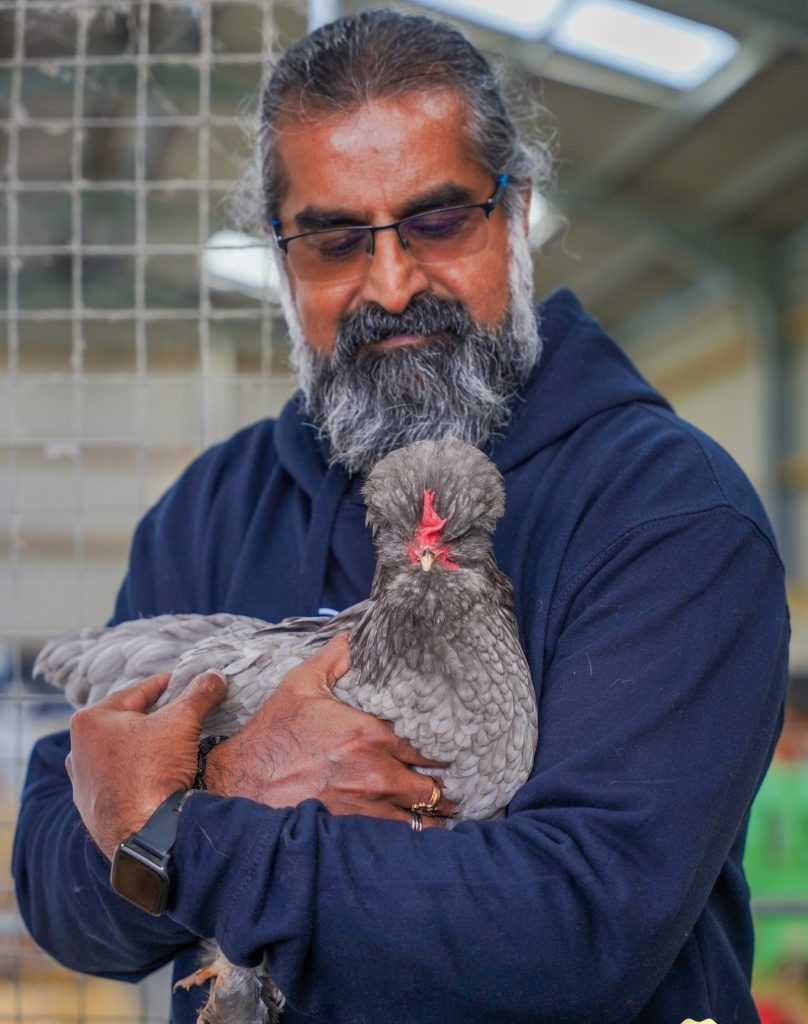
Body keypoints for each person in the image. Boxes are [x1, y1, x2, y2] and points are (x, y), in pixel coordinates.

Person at [13, 10, 789, 1023]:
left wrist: (182, 831)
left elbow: (575, 929)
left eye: (435, 222)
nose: (390, 282)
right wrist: (230, 796)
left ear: (513, 214)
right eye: (335, 239)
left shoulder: (666, 509)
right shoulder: (211, 507)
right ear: (284, 259)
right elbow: (61, 888)